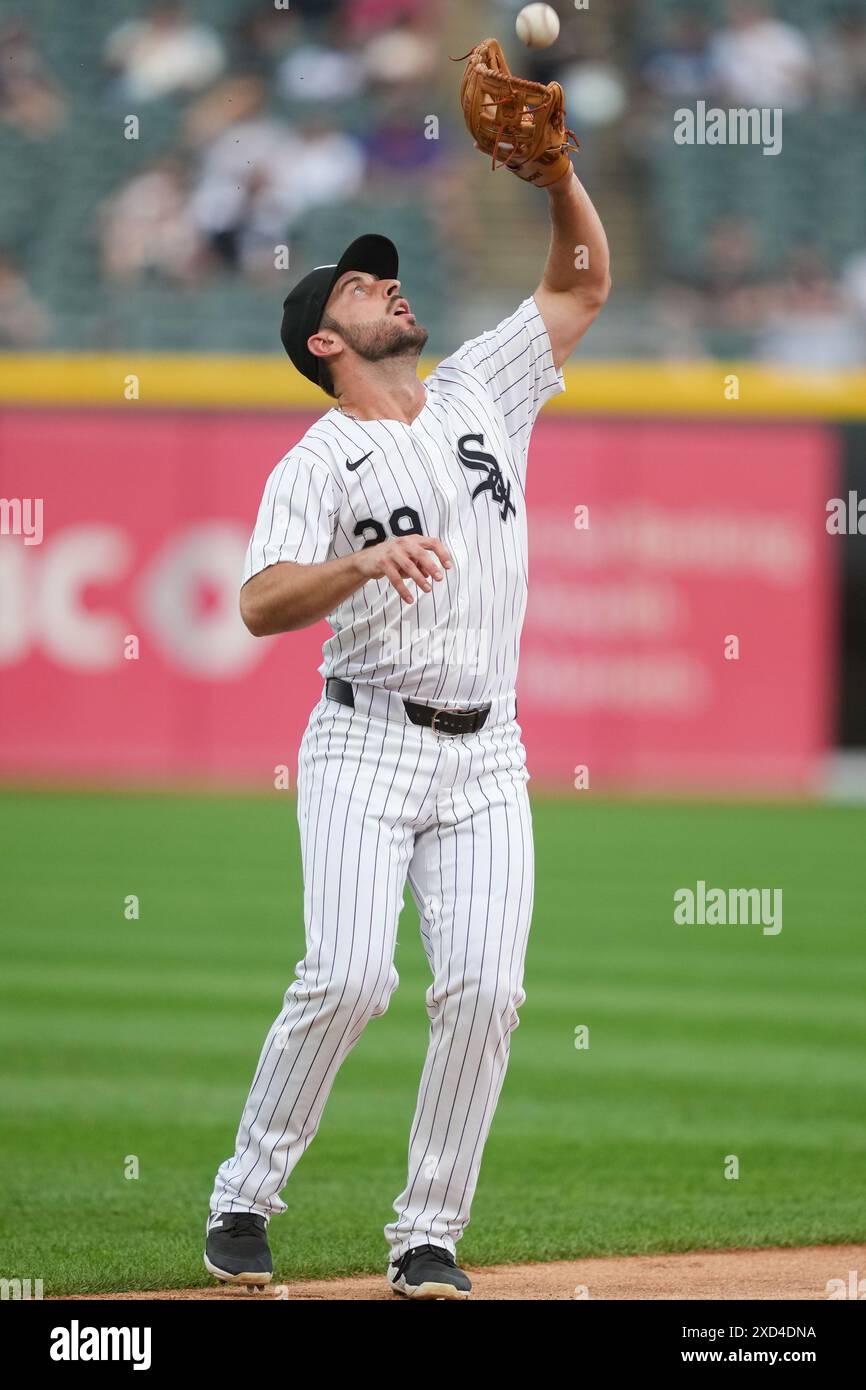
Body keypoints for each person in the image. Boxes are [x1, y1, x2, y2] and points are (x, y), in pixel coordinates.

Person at [203, 150, 610, 1298]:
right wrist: (358, 561)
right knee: (347, 975)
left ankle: (426, 1234)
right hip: (364, 739)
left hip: (489, 751)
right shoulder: (320, 456)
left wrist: (556, 179)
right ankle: (244, 1195)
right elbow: (254, 601)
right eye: (358, 289)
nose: (388, 289)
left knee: (485, 988)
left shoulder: (481, 385)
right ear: (323, 343)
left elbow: (580, 287)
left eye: (385, 281)